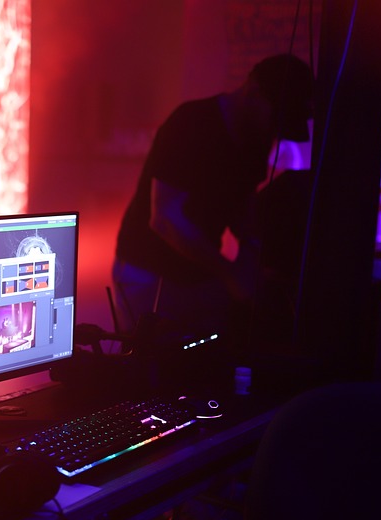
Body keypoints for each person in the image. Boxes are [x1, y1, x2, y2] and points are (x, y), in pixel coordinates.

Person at [111, 53, 314, 357]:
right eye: (275, 120)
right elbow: (165, 218)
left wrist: (251, 253)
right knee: (144, 364)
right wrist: (231, 275)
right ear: (254, 92)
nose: (274, 133)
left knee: (196, 362)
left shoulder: (255, 139)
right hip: (147, 270)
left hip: (197, 272)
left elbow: (242, 205)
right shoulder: (191, 124)